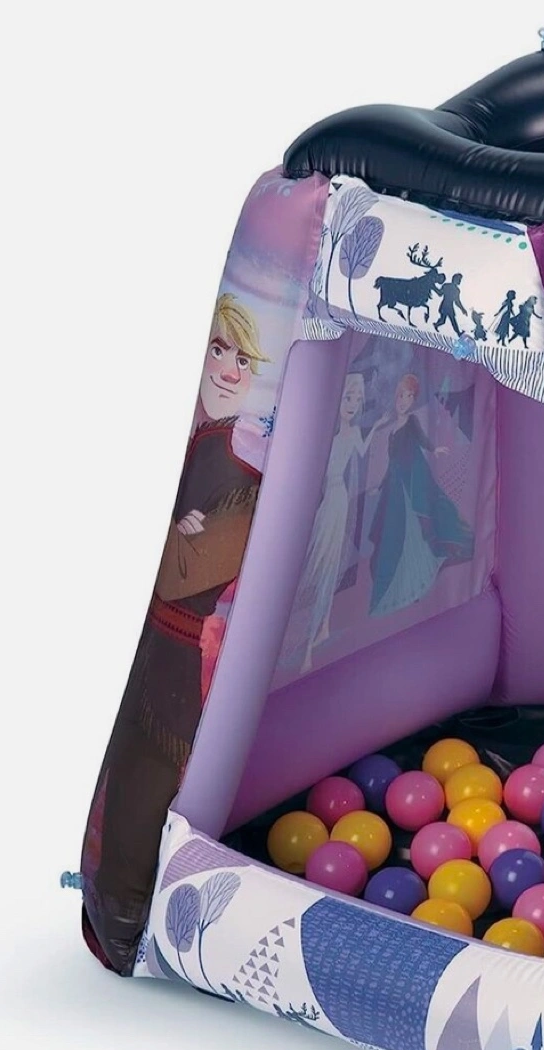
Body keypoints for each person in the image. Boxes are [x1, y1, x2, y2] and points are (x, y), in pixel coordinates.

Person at [85, 293, 270, 969]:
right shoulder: (209, 440)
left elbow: (197, 566)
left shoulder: (240, 450)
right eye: (219, 349)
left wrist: (191, 536)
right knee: (140, 773)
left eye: (242, 359)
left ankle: (129, 912)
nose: (227, 368)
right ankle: (126, 909)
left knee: (154, 770)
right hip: (168, 649)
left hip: (182, 653)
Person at [294, 365, 386, 672]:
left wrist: (377, 426)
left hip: (338, 501)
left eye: (356, 400)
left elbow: (361, 450)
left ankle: (313, 641)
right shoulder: (328, 434)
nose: (352, 405)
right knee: (319, 560)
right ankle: (320, 627)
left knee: (328, 563)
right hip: (329, 502)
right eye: (348, 398)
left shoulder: (352, 433)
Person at [367, 371, 473, 615]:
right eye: (401, 396)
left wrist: (434, 450)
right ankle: (401, 584)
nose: (404, 401)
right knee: (395, 533)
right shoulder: (392, 431)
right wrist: (379, 487)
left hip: (412, 480)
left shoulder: (412, 422)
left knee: (415, 528)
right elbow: (391, 462)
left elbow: (423, 440)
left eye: (409, 396)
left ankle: (415, 578)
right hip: (395, 486)